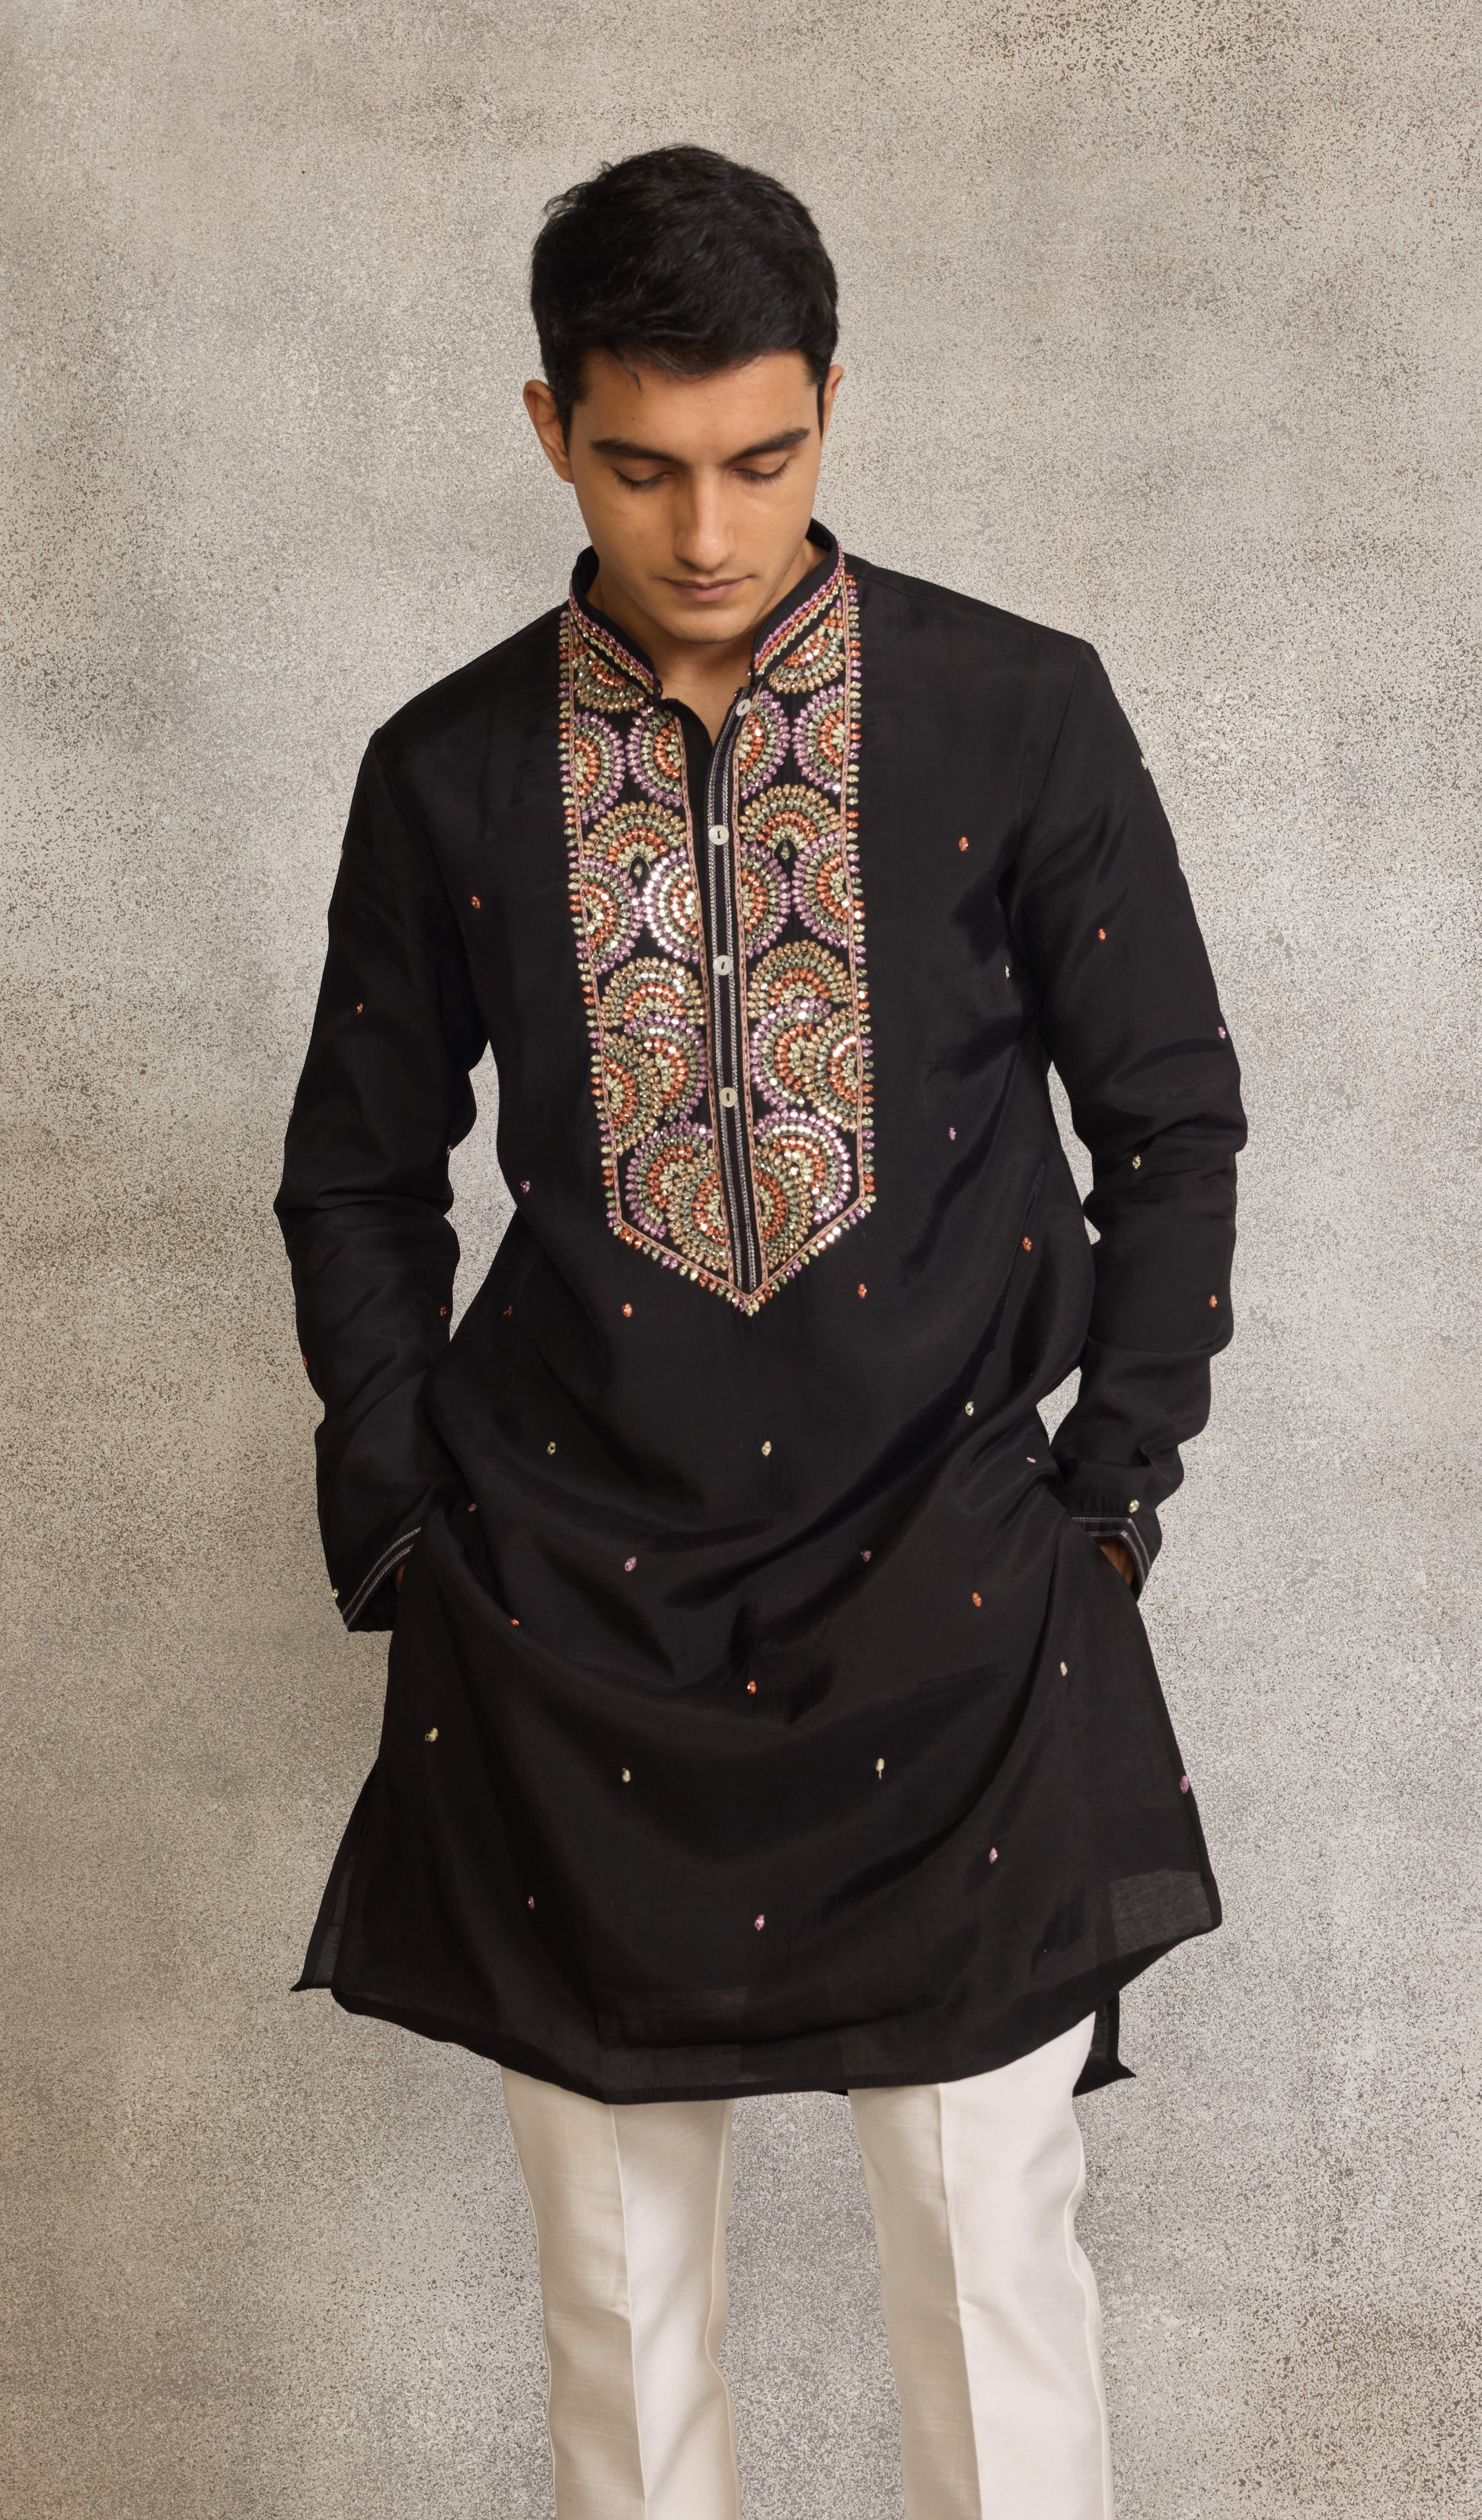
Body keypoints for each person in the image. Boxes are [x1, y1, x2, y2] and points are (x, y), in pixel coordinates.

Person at [276, 144, 1246, 2520]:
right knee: (619, 2321)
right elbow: (356, 1172)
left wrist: (1102, 1501)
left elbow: (1172, 1123)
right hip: (571, 1616)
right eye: (640, 466)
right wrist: (407, 1516)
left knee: (990, 2278)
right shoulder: (448, 767)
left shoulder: (1015, 714)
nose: (706, 529)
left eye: (761, 457)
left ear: (830, 406)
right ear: (547, 425)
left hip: (952, 1592)